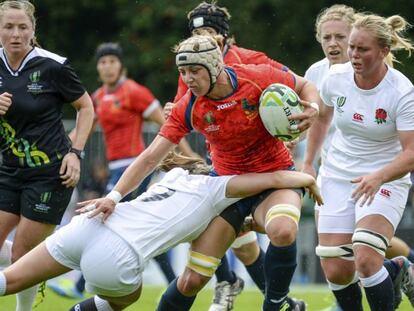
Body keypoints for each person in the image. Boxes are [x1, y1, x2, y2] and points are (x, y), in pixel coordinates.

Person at [85, 34, 320, 311]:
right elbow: (150, 157)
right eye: (182, 72)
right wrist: (113, 196)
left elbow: (305, 85)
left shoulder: (256, 78)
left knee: (282, 230)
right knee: (192, 281)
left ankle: (276, 305)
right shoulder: (189, 105)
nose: (188, 79)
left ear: (214, 67)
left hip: (278, 178)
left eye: (194, 71)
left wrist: (313, 108)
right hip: (227, 189)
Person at [0, 151, 323, 311]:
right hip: (118, 252)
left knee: (10, 279)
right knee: (128, 296)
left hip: (88, 225)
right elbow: (275, 180)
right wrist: (307, 178)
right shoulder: (216, 187)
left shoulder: (173, 176)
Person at [164, 3, 296, 309]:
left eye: (208, 32)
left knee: (263, 236)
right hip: (224, 172)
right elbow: (180, 116)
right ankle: (239, 284)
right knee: (244, 249)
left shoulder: (251, 63)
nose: (202, 39)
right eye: (196, 33)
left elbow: (296, 90)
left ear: (225, 37)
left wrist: (296, 120)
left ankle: (258, 293)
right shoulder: (192, 65)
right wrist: (189, 158)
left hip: (265, 168)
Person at [48, 42, 181, 299]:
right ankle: (174, 284)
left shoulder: (134, 92)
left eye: (112, 61)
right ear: (98, 68)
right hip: (114, 170)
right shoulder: (96, 98)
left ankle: (77, 287)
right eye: (102, 62)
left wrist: (184, 153)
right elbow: (81, 131)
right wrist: (61, 153)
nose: (107, 66)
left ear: (122, 66)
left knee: (99, 218)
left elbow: (171, 125)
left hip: (135, 168)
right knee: (134, 227)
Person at [304, 5, 414, 310]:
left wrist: (378, 177)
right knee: (336, 269)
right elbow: (322, 119)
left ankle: (393, 269)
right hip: (337, 177)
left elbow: (412, 153)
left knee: (365, 257)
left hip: (384, 178)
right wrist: (309, 163)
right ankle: (398, 270)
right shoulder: (335, 78)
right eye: (351, 46)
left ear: (383, 50)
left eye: (361, 49)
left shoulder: (402, 92)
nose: (353, 54)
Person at [0, 0, 94, 310]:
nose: (16, 34)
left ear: (33, 30)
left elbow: (86, 107)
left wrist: (75, 153)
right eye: (8, 27)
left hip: (51, 174)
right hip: (10, 170)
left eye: (22, 27)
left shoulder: (53, 65)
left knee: (21, 257)